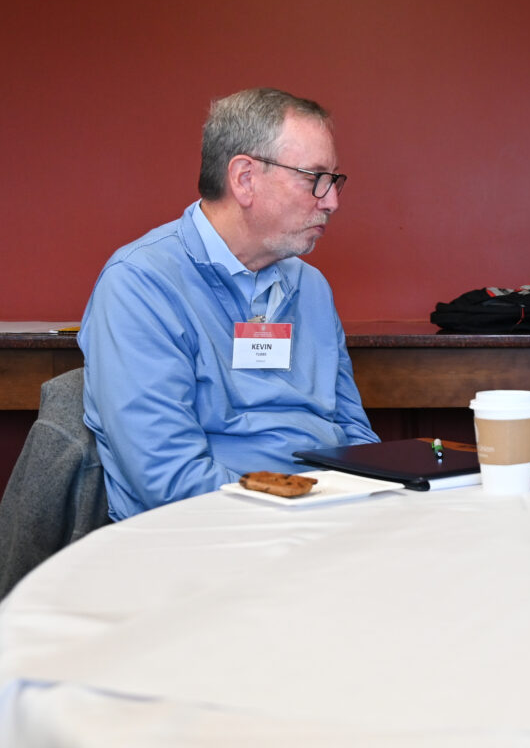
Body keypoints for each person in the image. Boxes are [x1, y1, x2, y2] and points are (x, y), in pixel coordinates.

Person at [79, 88, 378, 520]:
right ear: (244, 179)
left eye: (333, 180)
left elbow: (354, 432)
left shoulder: (311, 287)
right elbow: (169, 480)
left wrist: (375, 502)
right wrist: (302, 515)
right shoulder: (140, 284)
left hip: (326, 520)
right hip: (213, 536)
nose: (331, 200)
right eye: (314, 177)